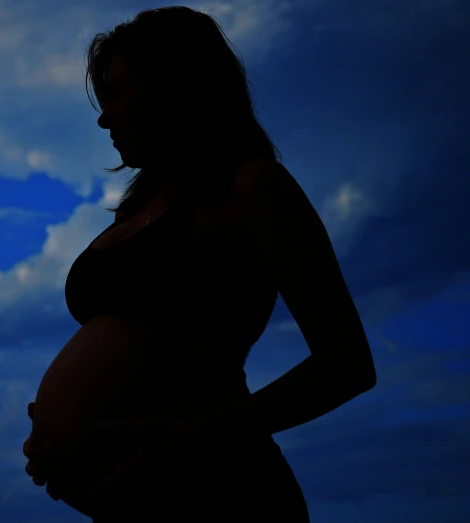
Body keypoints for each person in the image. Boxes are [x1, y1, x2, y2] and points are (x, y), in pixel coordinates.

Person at [22, 6, 377, 522]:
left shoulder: (252, 188)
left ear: (175, 85)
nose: (104, 116)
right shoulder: (134, 212)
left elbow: (347, 364)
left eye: (118, 91)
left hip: (224, 493)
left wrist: (195, 436)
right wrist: (59, 438)